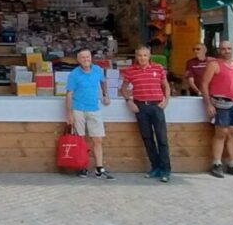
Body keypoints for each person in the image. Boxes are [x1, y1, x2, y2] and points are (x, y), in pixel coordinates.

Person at [120, 46, 172, 183]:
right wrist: (129, 101)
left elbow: (166, 85)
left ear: (149, 56)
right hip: (141, 107)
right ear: (136, 57)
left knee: (162, 139)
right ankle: (155, 167)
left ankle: (166, 170)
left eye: (145, 55)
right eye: (139, 55)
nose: (142, 58)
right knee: (147, 138)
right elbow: (123, 88)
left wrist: (166, 100)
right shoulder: (130, 71)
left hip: (156, 106)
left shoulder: (158, 68)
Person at [201, 40, 233, 178]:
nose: (226, 51)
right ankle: (216, 163)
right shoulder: (214, 64)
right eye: (223, 49)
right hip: (221, 103)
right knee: (221, 132)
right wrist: (208, 104)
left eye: (228, 48)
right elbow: (204, 84)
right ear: (219, 50)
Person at [65, 48, 113, 180]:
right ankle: (82, 167)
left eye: (88, 57)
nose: (86, 60)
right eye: (83, 58)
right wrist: (69, 113)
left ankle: (99, 168)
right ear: (78, 60)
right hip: (78, 109)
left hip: (94, 108)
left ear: (91, 57)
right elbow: (69, 94)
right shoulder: (74, 74)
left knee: (98, 139)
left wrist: (105, 95)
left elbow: (103, 82)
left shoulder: (98, 70)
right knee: (80, 140)